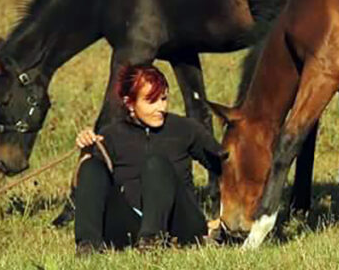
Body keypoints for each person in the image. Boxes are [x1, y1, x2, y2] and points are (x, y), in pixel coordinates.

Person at [71, 64, 225, 255]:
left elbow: (225, 165)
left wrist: (225, 218)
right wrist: (86, 152)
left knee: (156, 164)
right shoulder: (111, 135)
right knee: (91, 167)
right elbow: (84, 188)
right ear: (130, 103)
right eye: (151, 101)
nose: (161, 107)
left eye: (164, 99)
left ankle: (152, 241)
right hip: (131, 226)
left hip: (181, 223)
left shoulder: (185, 129)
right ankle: (88, 246)